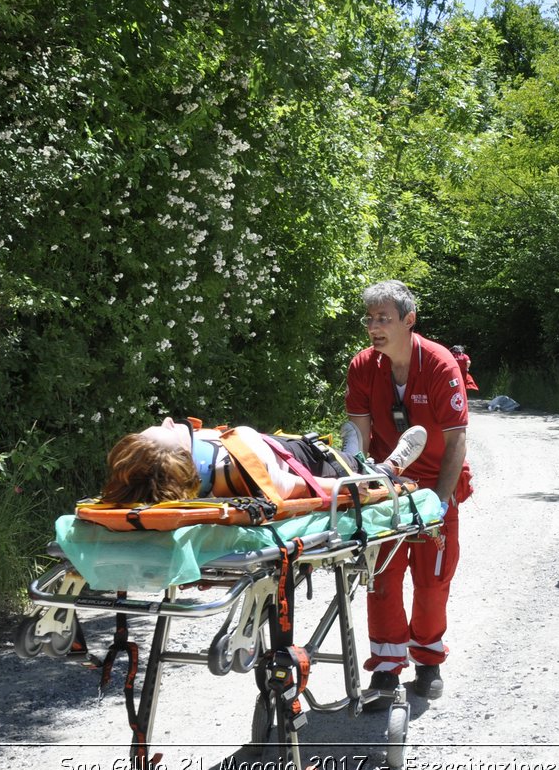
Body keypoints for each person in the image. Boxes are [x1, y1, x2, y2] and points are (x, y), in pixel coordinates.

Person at [345, 279, 472, 707]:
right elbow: (358, 436)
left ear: (409, 320)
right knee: (381, 576)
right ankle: (385, 670)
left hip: (438, 479)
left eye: (384, 318)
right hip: (387, 483)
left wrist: (440, 497)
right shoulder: (363, 366)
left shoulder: (438, 364)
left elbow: (456, 442)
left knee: (432, 579)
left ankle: (429, 661)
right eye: (370, 319)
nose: (374, 326)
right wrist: (357, 486)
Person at [99, 417, 425, 506]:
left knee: (345, 450)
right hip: (311, 464)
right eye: (165, 428)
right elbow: (307, 487)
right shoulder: (242, 470)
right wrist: (369, 486)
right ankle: (384, 467)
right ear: (178, 458)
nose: (168, 420)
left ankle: (355, 452)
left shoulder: (200, 474)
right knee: (351, 465)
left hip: (280, 449)